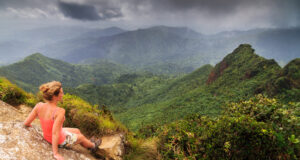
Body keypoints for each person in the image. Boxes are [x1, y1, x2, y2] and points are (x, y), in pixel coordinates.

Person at [24, 81, 101, 160]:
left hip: (47, 136)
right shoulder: (59, 111)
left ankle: (87, 144)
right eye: (61, 93)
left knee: (77, 131)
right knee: (81, 137)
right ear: (55, 96)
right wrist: (55, 153)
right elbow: (55, 133)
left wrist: (29, 125)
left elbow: (26, 122)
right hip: (59, 140)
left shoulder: (39, 105)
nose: (63, 95)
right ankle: (93, 146)